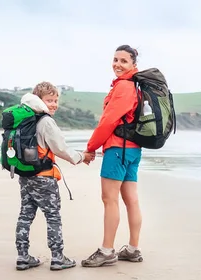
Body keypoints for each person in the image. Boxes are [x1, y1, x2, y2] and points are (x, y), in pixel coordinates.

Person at [15, 81, 95, 271]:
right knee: (53, 217)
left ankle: (22, 256)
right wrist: (81, 157)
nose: (53, 104)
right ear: (39, 100)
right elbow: (60, 148)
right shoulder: (45, 121)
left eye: (56, 100)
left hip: (25, 176)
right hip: (44, 178)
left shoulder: (24, 119)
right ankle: (58, 258)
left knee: (25, 216)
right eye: (49, 100)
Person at [81, 45, 144, 267]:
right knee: (131, 200)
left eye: (123, 61)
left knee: (110, 200)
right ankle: (133, 249)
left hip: (118, 149)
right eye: (115, 59)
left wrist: (91, 147)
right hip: (133, 149)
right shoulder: (136, 87)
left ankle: (107, 251)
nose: (117, 64)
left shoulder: (125, 87)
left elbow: (108, 121)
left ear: (133, 65)